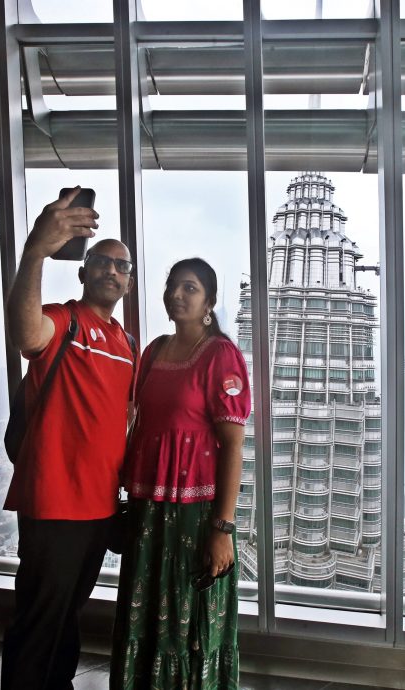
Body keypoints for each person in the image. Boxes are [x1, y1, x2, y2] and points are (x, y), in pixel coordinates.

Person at [0, 187, 137, 690]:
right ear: (83, 271)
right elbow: (26, 335)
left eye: (122, 267)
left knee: (68, 615)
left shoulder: (127, 344)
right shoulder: (66, 320)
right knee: (39, 619)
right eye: (102, 261)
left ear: (128, 282)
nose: (112, 271)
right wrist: (36, 249)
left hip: (99, 507)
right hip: (54, 502)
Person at [110, 258, 250, 690]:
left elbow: (233, 446)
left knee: (189, 619)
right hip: (148, 510)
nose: (177, 295)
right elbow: (138, 422)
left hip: (195, 512)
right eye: (173, 287)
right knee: (146, 610)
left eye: (190, 288)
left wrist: (222, 528)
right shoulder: (152, 351)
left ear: (210, 301)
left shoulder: (220, 356)